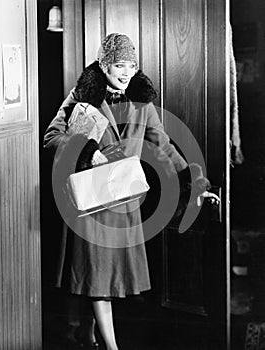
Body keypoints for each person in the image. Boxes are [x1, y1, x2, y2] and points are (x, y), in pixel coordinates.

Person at [43, 33, 218, 350]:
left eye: (131, 65)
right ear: (104, 65)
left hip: (123, 199)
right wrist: (86, 152)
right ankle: (112, 346)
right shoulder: (81, 97)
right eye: (118, 65)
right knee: (98, 278)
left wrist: (193, 184)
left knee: (106, 277)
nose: (126, 72)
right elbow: (52, 137)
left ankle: (85, 332)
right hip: (91, 199)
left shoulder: (142, 102)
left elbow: (162, 146)